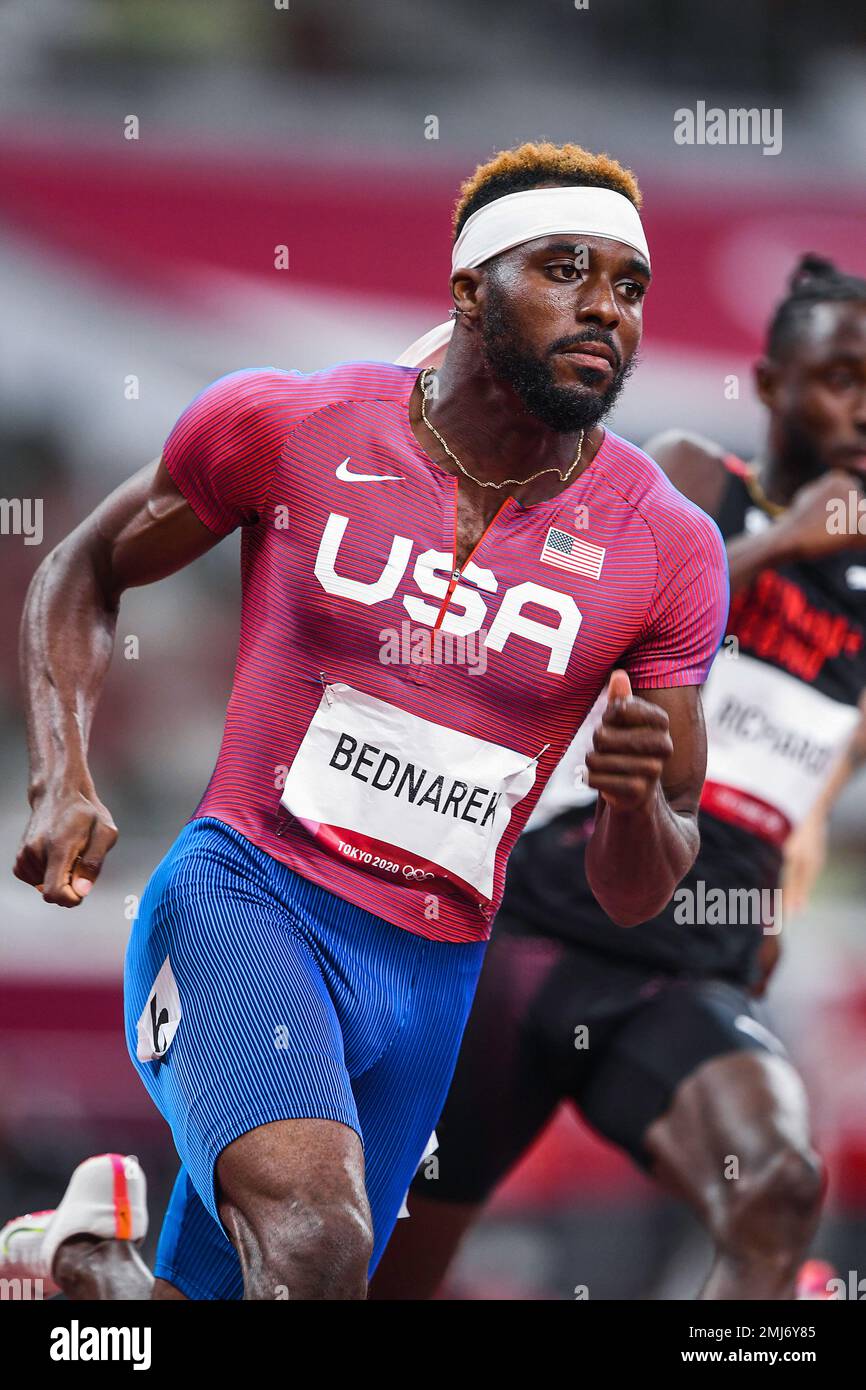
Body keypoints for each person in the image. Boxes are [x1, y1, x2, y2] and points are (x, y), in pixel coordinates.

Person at [10, 141, 727, 1300]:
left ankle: (88, 1271)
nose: (604, 307)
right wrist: (63, 772)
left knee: (269, 1289)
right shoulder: (295, 426)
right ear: (467, 291)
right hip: (249, 898)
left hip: (432, 975)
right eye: (561, 269)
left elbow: (637, 887)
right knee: (316, 1248)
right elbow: (86, 566)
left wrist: (638, 800)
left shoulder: (667, 550)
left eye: (627, 286)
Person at [368, 254, 866, 1302]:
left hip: (680, 973)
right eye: (838, 378)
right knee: (374, 1274)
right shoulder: (692, 478)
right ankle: (80, 1266)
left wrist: (778, 892)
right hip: (531, 932)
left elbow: (812, 788)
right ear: (772, 384)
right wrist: (777, 540)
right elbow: (592, 620)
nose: (860, 411)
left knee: (775, 1187)